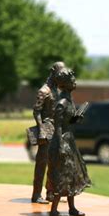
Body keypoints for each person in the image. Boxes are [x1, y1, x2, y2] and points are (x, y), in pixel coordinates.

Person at [48, 68, 91, 216]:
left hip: (69, 140)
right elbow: (57, 126)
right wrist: (61, 146)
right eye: (72, 80)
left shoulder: (69, 101)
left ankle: (72, 208)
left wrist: (75, 119)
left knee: (72, 173)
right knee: (62, 175)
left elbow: (67, 121)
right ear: (65, 84)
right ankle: (53, 210)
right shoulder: (61, 103)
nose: (75, 82)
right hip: (61, 141)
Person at [31, 61, 66, 204]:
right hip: (46, 130)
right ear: (53, 72)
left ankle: (50, 193)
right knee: (41, 164)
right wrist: (40, 130)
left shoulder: (56, 91)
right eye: (59, 74)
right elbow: (36, 111)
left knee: (54, 164)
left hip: (55, 130)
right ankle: (36, 195)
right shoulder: (43, 91)